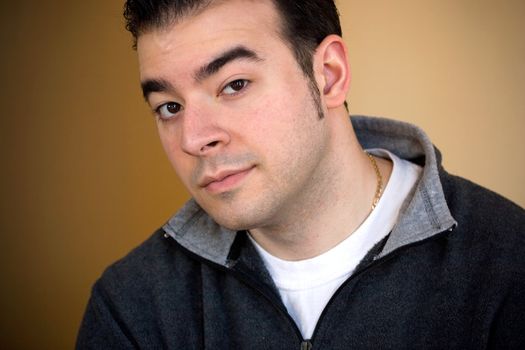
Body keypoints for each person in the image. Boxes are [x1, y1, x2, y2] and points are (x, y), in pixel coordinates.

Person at [77, 0, 525, 348]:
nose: (194, 139)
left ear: (328, 76)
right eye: (169, 107)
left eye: (234, 84)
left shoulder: (508, 263)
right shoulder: (133, 305)